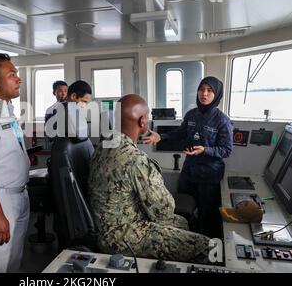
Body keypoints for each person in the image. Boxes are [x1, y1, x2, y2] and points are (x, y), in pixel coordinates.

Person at [88, 94, 211, 263]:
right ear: (142, 122)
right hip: (122, 236)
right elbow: (164, 210)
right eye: (147, 117)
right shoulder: (135, 159)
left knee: (181, 222)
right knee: (206, 247)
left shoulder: (103, 145)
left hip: (105, 227)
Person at [143, 76, 233, 239]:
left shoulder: (223, 120)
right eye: (201, 89)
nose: (204, 94)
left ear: (217, 94)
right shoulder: (192, 114)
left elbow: (226, 150)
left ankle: (206, 246)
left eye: (209, 90)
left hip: (209, 176)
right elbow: (181, 133)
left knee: (207, 215)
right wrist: (161, 137)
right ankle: (184, 240)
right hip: (189, 172)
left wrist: (205, 150)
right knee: (183, 210)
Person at [0, 53, 29, 273]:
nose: (18, 79)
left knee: (15, 261)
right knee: (0, 262)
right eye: (12, 75)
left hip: (20, 194)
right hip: (1, 198)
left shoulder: (7, 109)